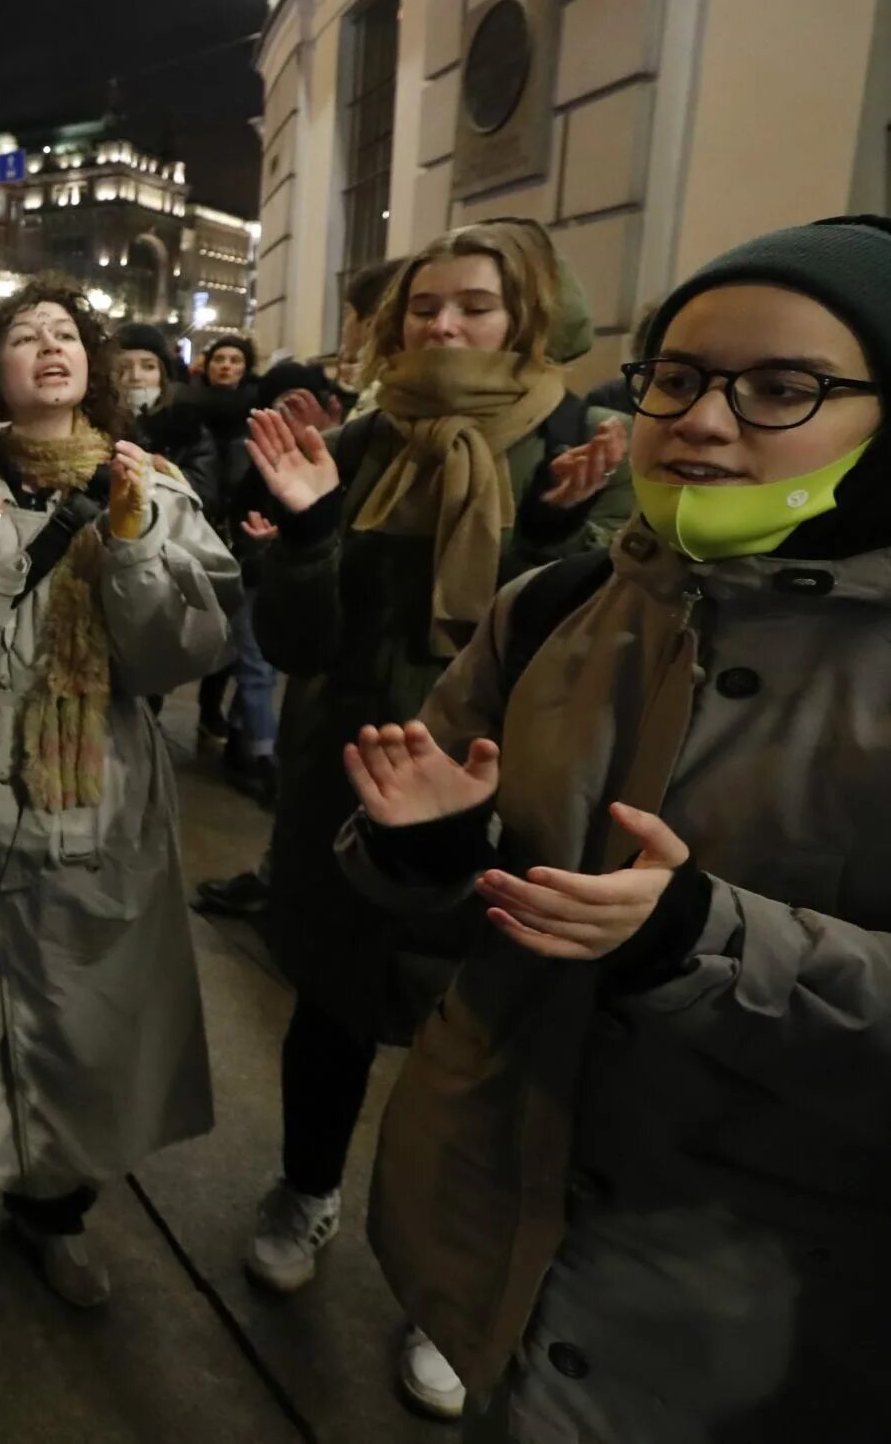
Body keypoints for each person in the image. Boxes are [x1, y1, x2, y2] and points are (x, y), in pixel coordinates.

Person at [333, 214, 891, 1439]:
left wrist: (700, 940)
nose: (699, 420)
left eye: (782, 389)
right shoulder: (560, 603)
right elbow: (418, 883)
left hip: (778, 1319)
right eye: (678, 379)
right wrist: (427, 852)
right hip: (507, 1220)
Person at [238, 221, 632, 1422]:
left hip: (503, 792)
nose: (445, 328)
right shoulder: (353, 443)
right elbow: (298, 646)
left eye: (474, 306)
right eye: (424, 310)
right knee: (333, 1010)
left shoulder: (580, 447)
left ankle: (454, 1288)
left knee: (487, 1043)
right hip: (347, 772)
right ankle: (306, 1190)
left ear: (524, 314)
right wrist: (305, 536)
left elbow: (600, 639)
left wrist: (558, 536)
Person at [0, 288, 238, 1312]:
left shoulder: (151, 488)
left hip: (102, 782)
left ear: (95, 363)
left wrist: (137, 546)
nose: (49, 348)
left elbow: (178, 655)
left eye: (65, 334)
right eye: (25, 337)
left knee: (88, 1016)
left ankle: (52, 1214)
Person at [188, 332, 259, 757]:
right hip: (196, 522)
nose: (227, 366)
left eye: (235, 360)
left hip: (235, 530)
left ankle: (210, 705)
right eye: (220, 359)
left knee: (229, 628)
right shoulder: (188, 407)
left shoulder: (255, 411)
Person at [112, 323, 216, 510]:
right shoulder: (95, 425)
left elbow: (205, 493)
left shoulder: (187, 425)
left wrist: (164, 471)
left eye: (148, 366)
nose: (136, 376)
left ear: (163, 374)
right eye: (124, 368)